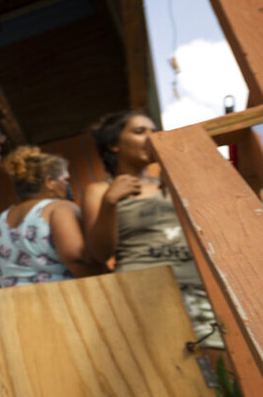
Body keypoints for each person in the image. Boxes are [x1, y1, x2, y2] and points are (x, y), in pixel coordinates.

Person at [81, 110, 222, 349]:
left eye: (154, 132)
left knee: (224, 368)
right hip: (141, 291)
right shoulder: (98, 191)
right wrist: (109, 203)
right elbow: (99, 253)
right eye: (140, 132)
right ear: (114, 144)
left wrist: (186, 185)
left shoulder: (172, 182)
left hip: (200, 288)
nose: (152, 137)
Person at [0, 145, 103, 289]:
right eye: (64, 179)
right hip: (63, 302)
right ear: (49, 181)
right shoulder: (59, 208)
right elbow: (77, 259)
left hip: (16, 307)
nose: (67, 184)